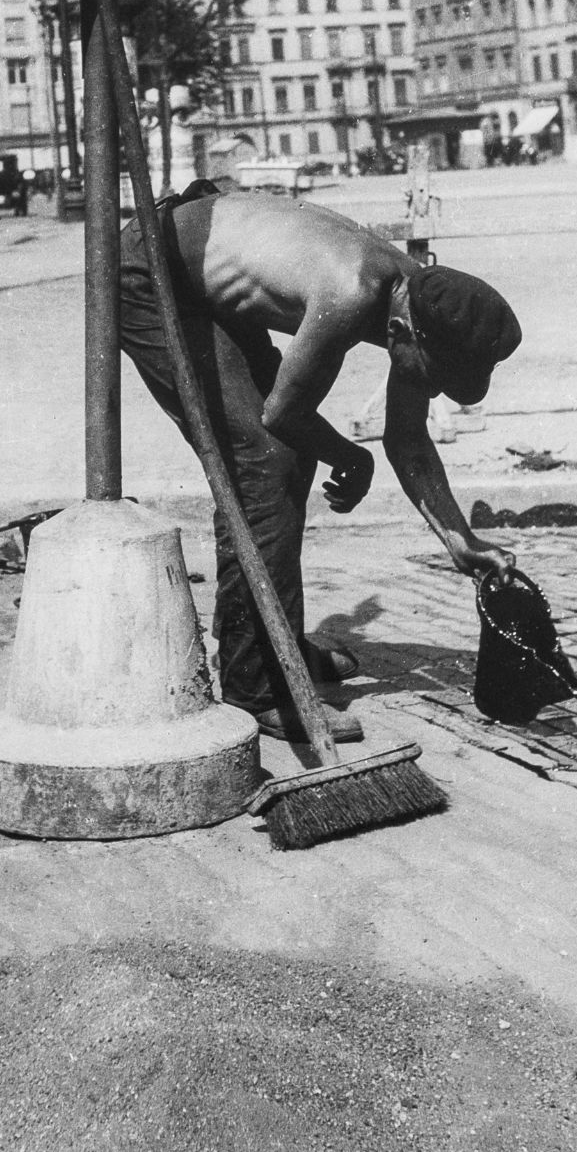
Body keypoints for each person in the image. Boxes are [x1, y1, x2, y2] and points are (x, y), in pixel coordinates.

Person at [119, 182, 521, 742]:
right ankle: (257, 685)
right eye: (429, 376)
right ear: (402, 333)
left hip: (201, 265)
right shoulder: (353, 291)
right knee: (268, 461)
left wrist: (460, 540)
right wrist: (350, 456)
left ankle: (269, 641)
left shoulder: (419, 297)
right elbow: (283, 415)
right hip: (152, 274)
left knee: (282, 465)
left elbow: (407, 439)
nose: (426, 388)